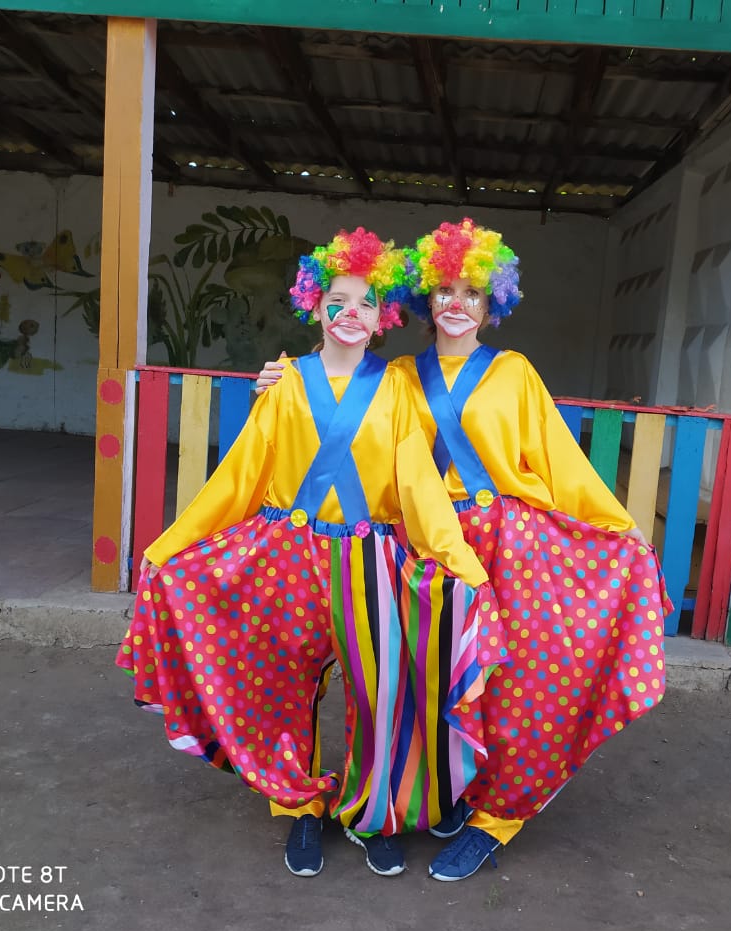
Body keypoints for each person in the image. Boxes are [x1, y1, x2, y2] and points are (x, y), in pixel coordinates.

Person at [256, 218, 673, 881]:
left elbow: (563, 464)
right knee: (420, 685)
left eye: (472, 293)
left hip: (507, 547)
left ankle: (496, 817)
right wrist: (281, 377)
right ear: (423, 301)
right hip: (417, 545)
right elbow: (336, 392)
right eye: (444, 291)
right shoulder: (394, 375)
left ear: (492, 305)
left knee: (513, 682)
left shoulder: (514, 373)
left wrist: (618, 528)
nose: (456, 303)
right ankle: (432, 795)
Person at [118, 228, 503, 879]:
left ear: (385, 319)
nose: (350, 314)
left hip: (372, 561)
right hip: (284, 555)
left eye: (365, 304)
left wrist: (463, 564)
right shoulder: (285, 384)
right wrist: (170, 545)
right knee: (280, 689)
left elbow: (418, 486)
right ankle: (298, 806)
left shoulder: (399, 388)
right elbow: (238, 476)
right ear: (314, 305)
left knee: (379, 693)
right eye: (338, 301)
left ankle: (367, 813)